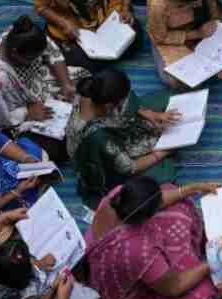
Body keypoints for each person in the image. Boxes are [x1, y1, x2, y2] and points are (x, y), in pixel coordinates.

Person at [84, 176, 222, 299]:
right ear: (147, 217)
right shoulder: (138, 250)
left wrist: (194, 188)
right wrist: (210, 263)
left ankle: (186, 257)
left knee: (174, 194)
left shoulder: (118, 196)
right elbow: (175, 286)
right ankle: (191, 256)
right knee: (202, 292)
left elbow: (159, 198)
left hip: (129, 258)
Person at [0, 16, 78, 162]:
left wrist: (66, 84)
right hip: (15, 111)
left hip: (33, 86)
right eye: (31, 58)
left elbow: (51, 50)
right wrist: (27, 113)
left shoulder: (19, 35)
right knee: (55, 147)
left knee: (82, 85)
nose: (36, 60)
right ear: (15, 53)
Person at [69, 70, 182, 205]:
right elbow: (129, 167)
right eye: (123, 100)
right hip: (104, 158)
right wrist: (161, 153)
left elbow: (129, 103)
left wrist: (150, 114)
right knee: (165, 174)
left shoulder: (93, 89)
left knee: (168, 99)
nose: (127, 101)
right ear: (110, 106)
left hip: (115, 128)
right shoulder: (97, 136)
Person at [0, 236, 100, 299]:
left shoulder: (2, 265)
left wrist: (39, 264)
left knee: (74, 247)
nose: (31, 260)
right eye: (28, 262)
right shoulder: (23, 294)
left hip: (45, 278)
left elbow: (20, 263)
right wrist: (53, 288)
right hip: (47, 291)